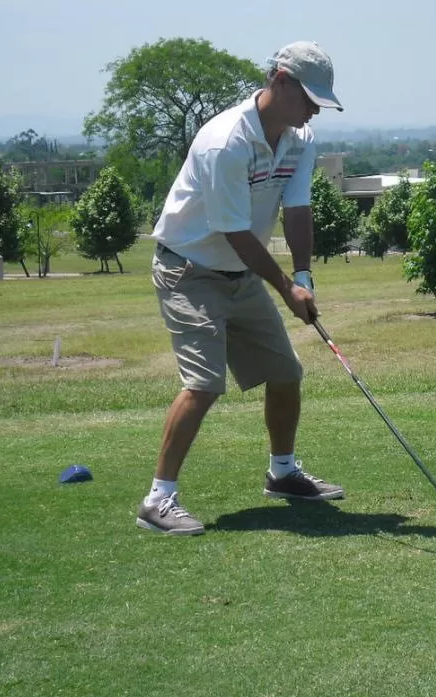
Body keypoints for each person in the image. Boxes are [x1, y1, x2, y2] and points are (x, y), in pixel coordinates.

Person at [136, 41, 346, 536]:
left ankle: (283, 473)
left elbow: (296, 209)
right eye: (309, 96)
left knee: (285, 372)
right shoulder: (225, 142)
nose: (315, 108)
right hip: (189, 271)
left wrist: (303, 276)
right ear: (280, 80)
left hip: (241, 272)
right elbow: (234, 232)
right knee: (204, 384)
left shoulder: (300, 137)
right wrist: (284, 290)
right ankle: (157, 499)